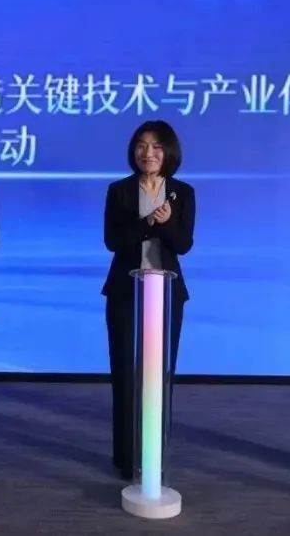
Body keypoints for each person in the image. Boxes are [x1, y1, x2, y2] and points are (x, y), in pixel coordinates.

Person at [102, 120, 195, 480]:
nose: (148, 153)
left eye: (156, 147)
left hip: (167, 293)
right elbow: (112, 241)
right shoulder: (119, 190)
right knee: (125, 372)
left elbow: (183, 245)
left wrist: (167, 224)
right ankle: (127, 457)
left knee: (159, 374)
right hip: (125, 291)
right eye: (142, 146)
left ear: (168, 152)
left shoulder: (182, 193)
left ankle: (154, 453)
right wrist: (149, 223)